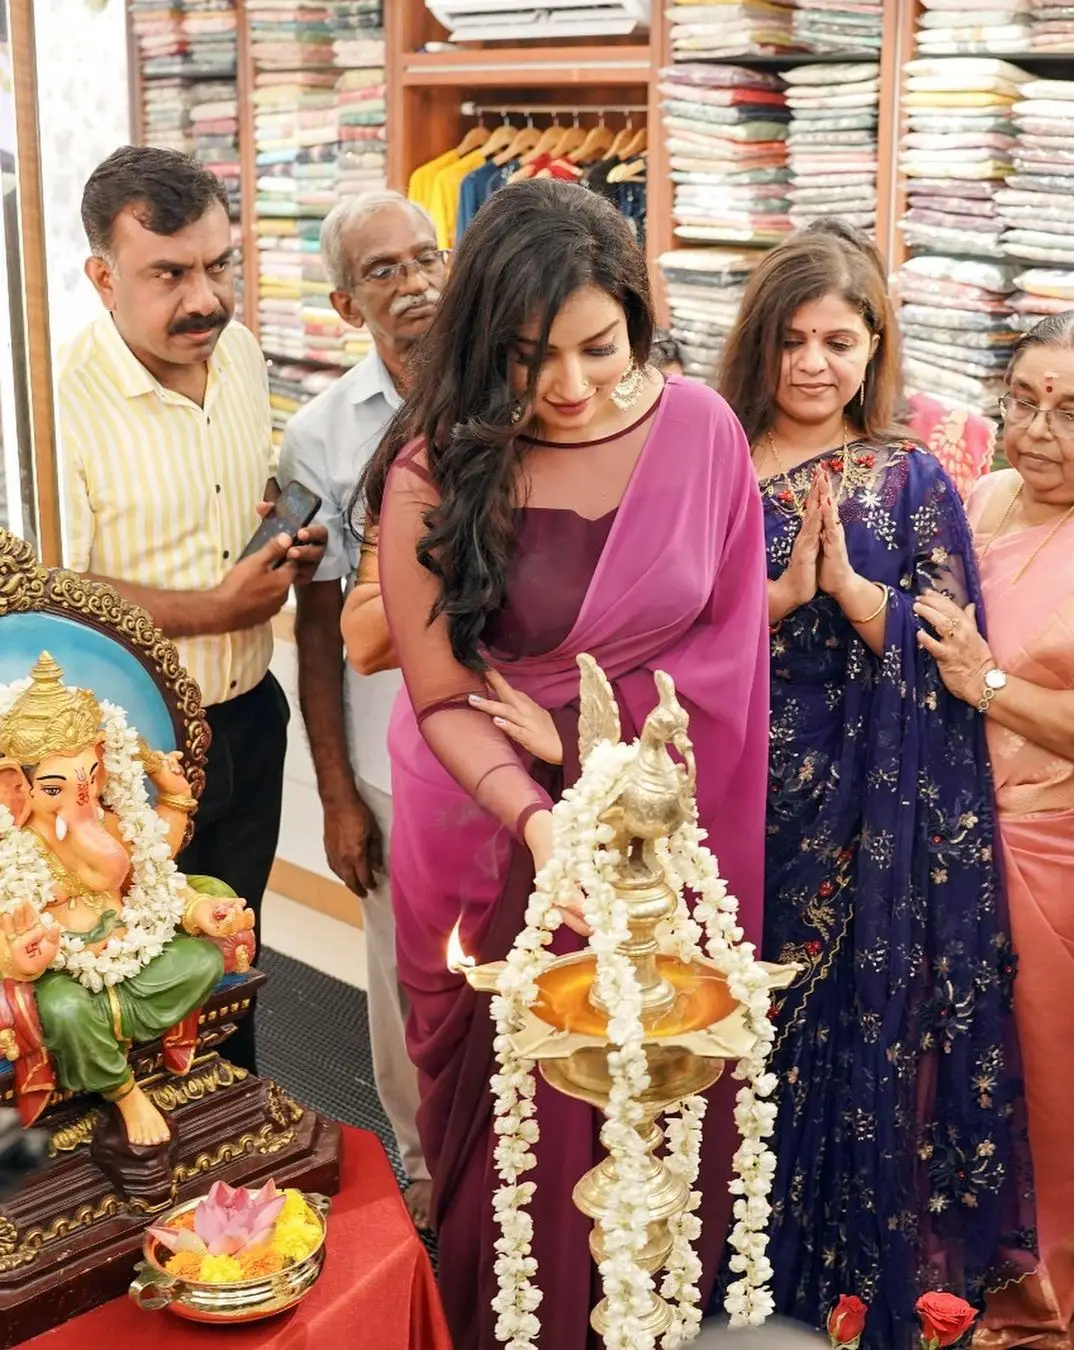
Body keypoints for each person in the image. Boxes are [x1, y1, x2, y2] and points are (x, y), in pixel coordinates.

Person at [357, 177, 770, 1349]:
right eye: (535, 356)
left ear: (640, 319)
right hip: (489, 827)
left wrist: (601, 741)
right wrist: (544, 822)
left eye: (600, 346)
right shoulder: (434, 464)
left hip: (649, 824)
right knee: (510, 1129)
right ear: (490, 341)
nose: (573, 385)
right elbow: (439, 694)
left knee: (646, 1113)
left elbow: (730, 650)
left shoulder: (702, 433)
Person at [716, 224, 1035, 1350]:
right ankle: (729, 1274)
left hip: (871, 813)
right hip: (736, 790)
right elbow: (666, 636)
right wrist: (778, 604)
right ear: (760, 342)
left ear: (874, 347)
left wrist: (855, 598)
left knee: (853, 1026)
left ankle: (839, 1290)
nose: (813, 363)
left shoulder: (911, 478)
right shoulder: (707, 462)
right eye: (793, 338)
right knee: (737, 1023)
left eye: (838, 340)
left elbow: (960, 658)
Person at [56, 146, 326, 1074]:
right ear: (103, 278)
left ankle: (236, 1172)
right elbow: (59, 595)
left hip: (250, 716)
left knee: (232, 957)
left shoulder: (239, 353)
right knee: (130, 986)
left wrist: (278, 545)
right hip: (128, 760)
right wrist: (214, 606)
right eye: (168, 273)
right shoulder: (61, 408)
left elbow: (237, 502)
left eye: (219, 265)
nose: (205, 297)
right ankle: (142, 1187)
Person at [277, 190, 447, 1228]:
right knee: (401, 975)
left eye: (427, 256)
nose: (416, 280)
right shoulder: (318, 438)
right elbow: (315, 624)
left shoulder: (519, 389)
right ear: (346, 303)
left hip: (521, 741)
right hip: (391, 756)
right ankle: (425, 1170)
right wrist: (337, 794)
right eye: (384, 270)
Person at [915, 312, 1074, 1350]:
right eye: (1024, 399)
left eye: (1071, 410)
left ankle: (1046, 1309)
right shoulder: (984, 497)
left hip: (1057, 855)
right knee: (966, 1082)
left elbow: (984, 674)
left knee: (1054, 1092)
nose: (1039, 428)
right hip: (961, 844)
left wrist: (988, 682)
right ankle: (967, 1281)